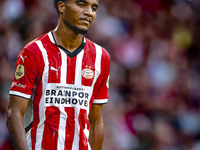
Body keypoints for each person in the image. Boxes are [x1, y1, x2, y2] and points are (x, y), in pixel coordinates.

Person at [6, 0, 110, 149]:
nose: (89, 12)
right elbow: (14, 113)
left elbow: (96, 121)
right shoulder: (34, 52)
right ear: (61, 7)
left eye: (94, 8)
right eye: (81, 4)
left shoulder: (101, 57)